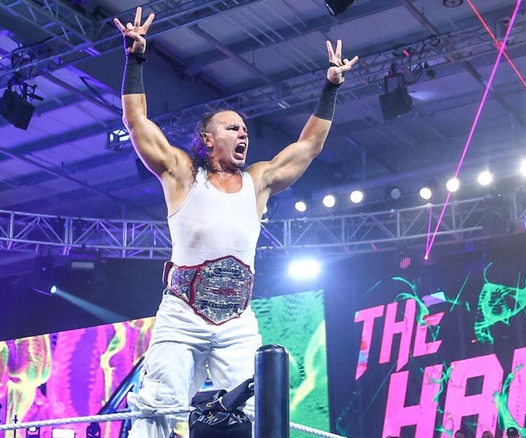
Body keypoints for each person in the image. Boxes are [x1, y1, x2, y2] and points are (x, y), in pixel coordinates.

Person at [114, 7, 358, 437]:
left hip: (237, 321)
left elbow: (308, 146)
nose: (243, 134)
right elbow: (137, 122)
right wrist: (135, 59)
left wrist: (331, 88)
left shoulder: (257, 182)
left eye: (245, 130)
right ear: (207, 139)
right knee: (158, 409)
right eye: (232, 128)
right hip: (182, 315)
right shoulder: (182, 174)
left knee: (259, 411)